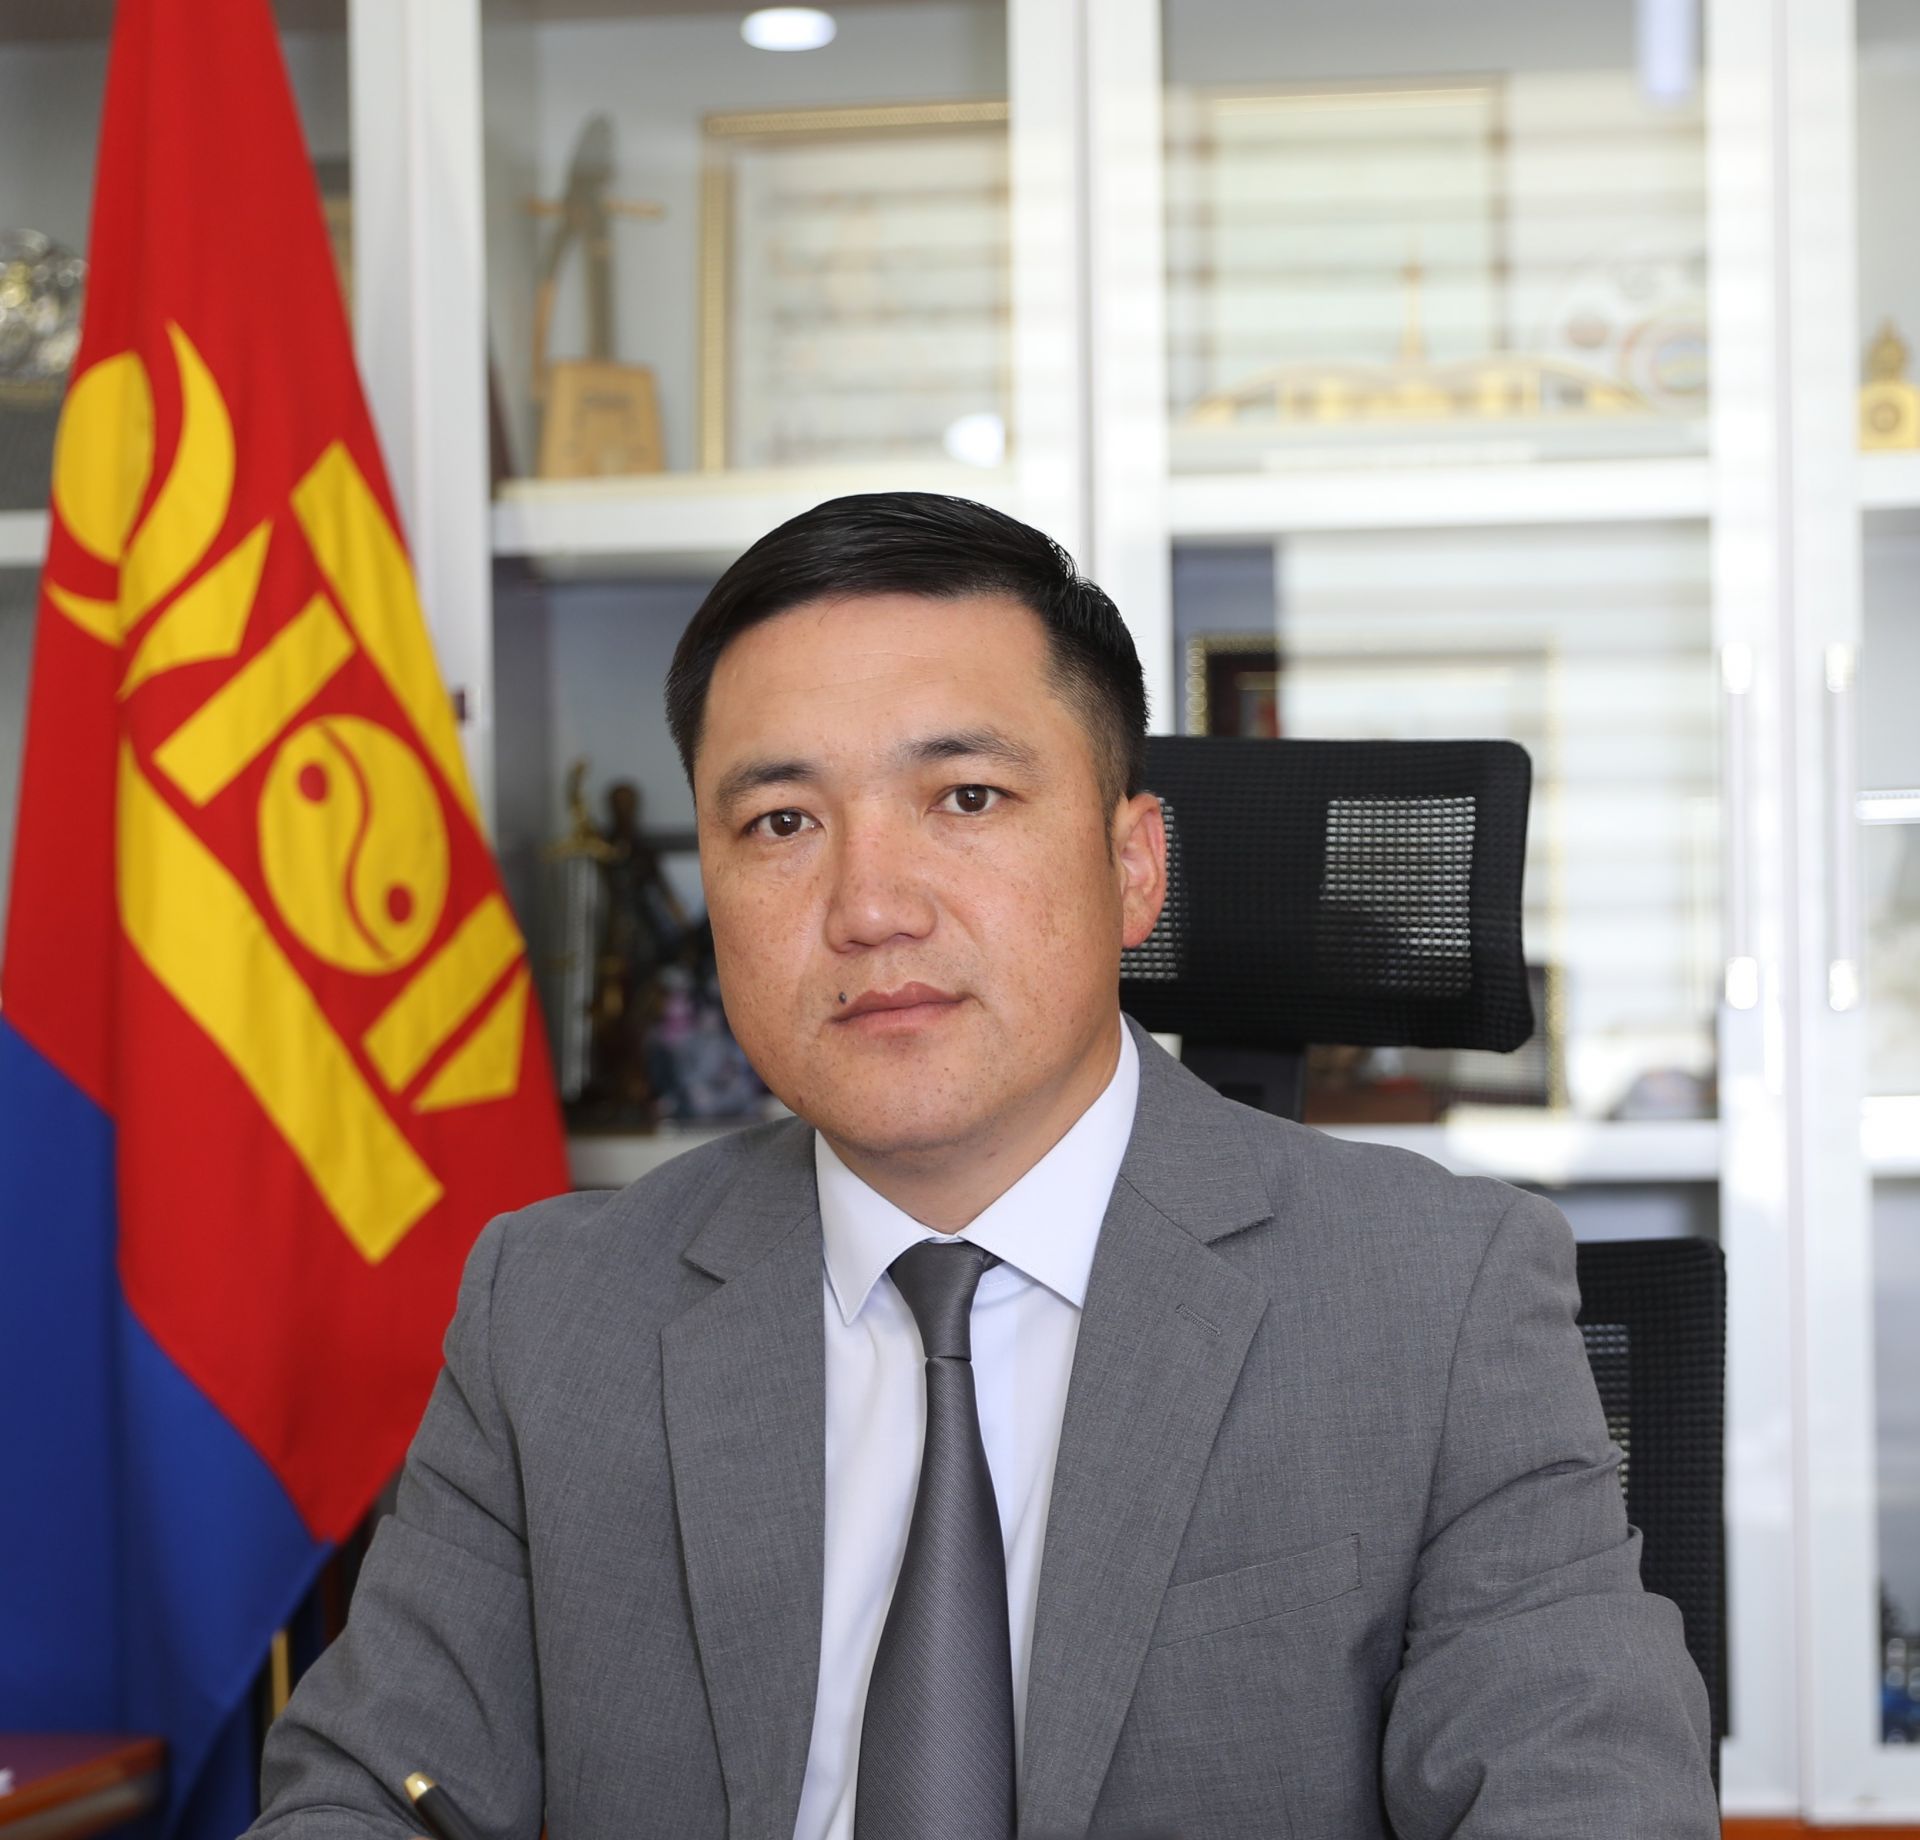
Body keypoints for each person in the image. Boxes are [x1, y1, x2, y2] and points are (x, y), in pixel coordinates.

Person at [247, 492, 1718, 1840]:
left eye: (965, 798)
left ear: (1133, 867)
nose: (870, 906)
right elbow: (360, 1797)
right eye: (780, 823)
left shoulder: (1433, 1298)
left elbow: (1592, 1804)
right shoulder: (554, 1312)